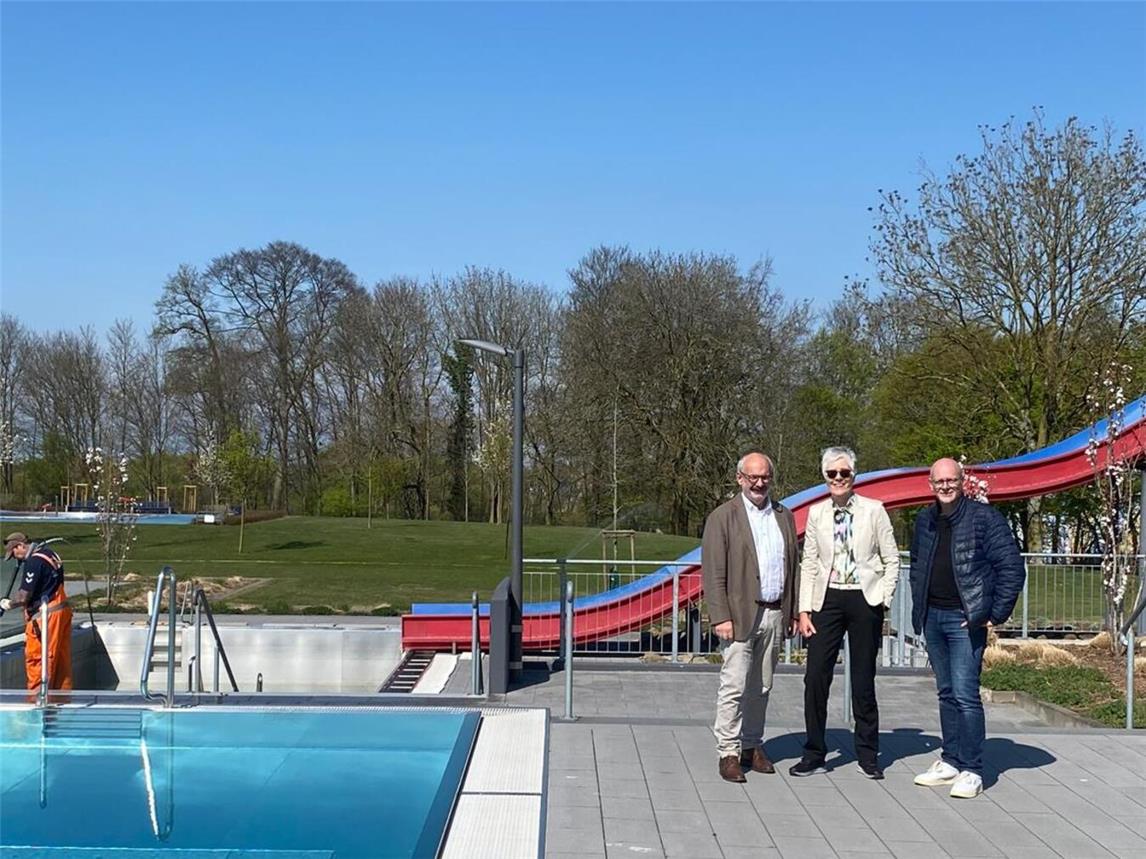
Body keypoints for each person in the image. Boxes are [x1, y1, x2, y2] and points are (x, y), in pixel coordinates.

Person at [909, 458, 1024, 798]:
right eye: (938, 481)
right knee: (946, 693)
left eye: (951, 480)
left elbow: (1012, 567)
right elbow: (917, 564)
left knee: (965, 695)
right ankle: (951, 759)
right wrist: (920, 606)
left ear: (962, 482)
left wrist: (994, 613)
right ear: (930, 484)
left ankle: (972, 768)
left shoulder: (984, 518)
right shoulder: (924, 520)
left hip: (965, 619)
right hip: (933, 616)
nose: (945, 486)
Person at [790, 447, 900, 779]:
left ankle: (868, 753)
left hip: (864, 599)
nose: (839, 478)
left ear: (854, 474)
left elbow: (891, 558)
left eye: (844, 473)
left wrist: (884, 598)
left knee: (863, 680)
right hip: (827, 600)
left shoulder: (874, 510)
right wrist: (804, 609)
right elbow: (809, 563)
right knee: (815, 679)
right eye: (832, 474)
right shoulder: (816, 513)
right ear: (824, 477)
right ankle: (814, 751)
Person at [702, 451, 799, 783]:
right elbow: (713, 572)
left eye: (765, 477)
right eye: (753, 477)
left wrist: (792, 611)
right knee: (734, 686)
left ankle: (752, 745)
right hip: (739, 616)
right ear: (739, 478)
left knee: (762, 686)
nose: (759, 483)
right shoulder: (723, 517)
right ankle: (728, 751)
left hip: (773, 613)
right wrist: (720, 616)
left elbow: (793, 567)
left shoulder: (784, 516)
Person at [1, 532, 73, 694]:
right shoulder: (49, 553)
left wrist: (8, 604)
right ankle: (60, 699)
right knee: (60, 660)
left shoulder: (34, 561)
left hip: (45, 616)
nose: (16, 558)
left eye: (14, 553)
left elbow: (23, 596)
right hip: (62, 610)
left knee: (39, 659)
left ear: (20, 545)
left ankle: (37, 701)